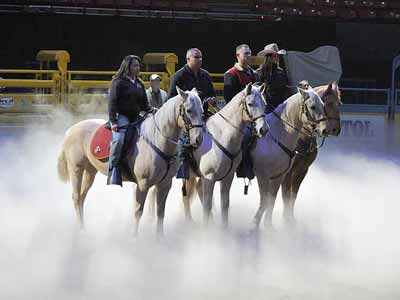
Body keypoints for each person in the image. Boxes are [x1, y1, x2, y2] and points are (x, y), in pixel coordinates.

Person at [108, 55, 155, 186]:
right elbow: (112, 103)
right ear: (127, 67)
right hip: (122, 117)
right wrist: (114, 122)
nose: (137, 68)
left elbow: (145, 105)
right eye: (135, 65)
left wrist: (153, 111)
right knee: (118, 140)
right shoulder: (118, 82)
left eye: (138, 66)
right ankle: (114, 169)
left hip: (137, 117)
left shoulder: (139, 83)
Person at [167, 48, 216, 118]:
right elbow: (170, 100)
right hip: (186, 119)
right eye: (196, 57)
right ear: (188, 59)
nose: (200, 60)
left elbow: (211, 93)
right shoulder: (178, 76)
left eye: (201, 57)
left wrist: (212, 99)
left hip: (203, 115)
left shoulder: (206, 75)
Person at [256, 43, 291, 113]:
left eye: (278, 55)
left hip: (282, 108)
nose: (277, 57)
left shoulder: (280, 72)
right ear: (268, 57)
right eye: (275, 55)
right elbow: (259, 94)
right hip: (267, 110)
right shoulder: (259, 73)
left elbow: (286, 89)